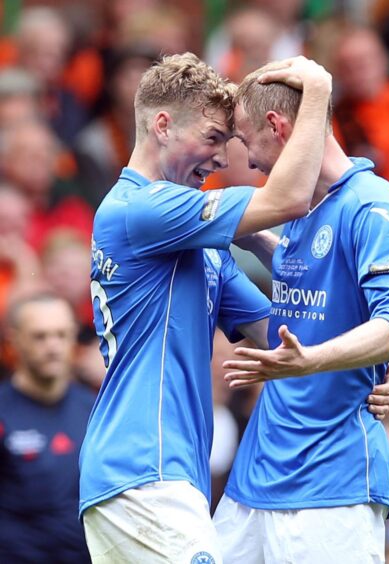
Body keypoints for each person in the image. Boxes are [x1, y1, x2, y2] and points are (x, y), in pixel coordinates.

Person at [80, 52, 332, 563]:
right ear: (163, 125)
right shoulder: (141, 208)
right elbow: (288, 199)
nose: (221, 159)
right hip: (144, 472)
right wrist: (319, 95)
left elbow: (283, 335)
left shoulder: (198, 245)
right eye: (214, 139)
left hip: (164, 477)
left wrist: (368, 362)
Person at [214, 60, 389, 563]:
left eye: (246, 143)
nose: (248, 162)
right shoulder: (303, 212)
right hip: (255, 479)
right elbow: (311, 281)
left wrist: (312, 359)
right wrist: (249, 238)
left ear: (277, 127)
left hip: (332, 486)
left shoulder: (373, 204)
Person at [0, 293, 95, 563]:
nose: (53, 346)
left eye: (61, 335)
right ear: (14, 340)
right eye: (40, 336)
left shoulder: (96, 411)